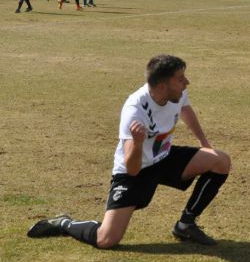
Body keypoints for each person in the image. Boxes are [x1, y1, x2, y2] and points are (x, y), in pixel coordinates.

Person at [27, 54, 231, 248]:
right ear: (162, 86)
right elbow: (132, 169)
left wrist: (205, 144)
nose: (186, 82)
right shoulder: (135, 110)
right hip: (135, 168)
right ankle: (64, 223)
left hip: (164, 157)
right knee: (106, 239)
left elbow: (185, 109)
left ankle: (185, 225)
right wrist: (138, 142)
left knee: (220, 161)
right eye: (180, 79)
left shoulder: (177, 93)